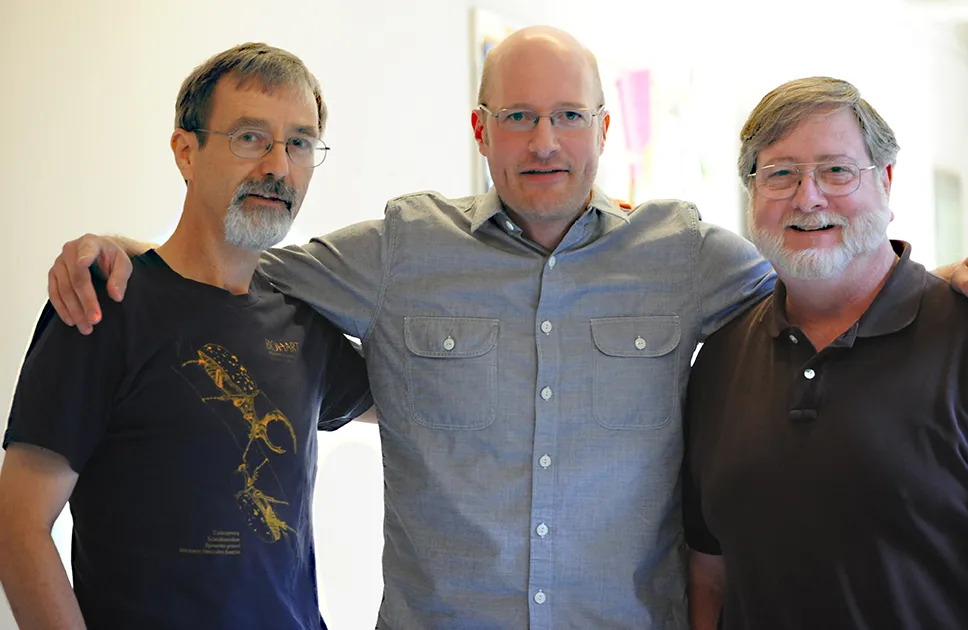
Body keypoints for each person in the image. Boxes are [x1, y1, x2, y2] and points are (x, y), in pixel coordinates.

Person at [38, 30, 968, 629]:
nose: (545, 142)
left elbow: (825, 262)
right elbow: (227, 267)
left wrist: (944, 280)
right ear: (480, 130)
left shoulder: (685, 254)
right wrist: (113, 246)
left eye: (568, 116)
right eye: (518, 118)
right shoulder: (400, 247)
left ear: (604, 129)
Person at [0, 43, 371, 630]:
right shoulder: (106, 305)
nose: (278, 166)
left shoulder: (303, 323)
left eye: (299, 143)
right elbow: (16, 527)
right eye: (250, 137)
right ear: (186, 151)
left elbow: (417, 402)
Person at [683, 76, 968, 630]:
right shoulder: (717, 358)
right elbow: (709, 573)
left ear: (885, 182)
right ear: (753, 195)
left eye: (836, 170)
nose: (807, 197)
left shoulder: (959, 334)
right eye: (781, 174)